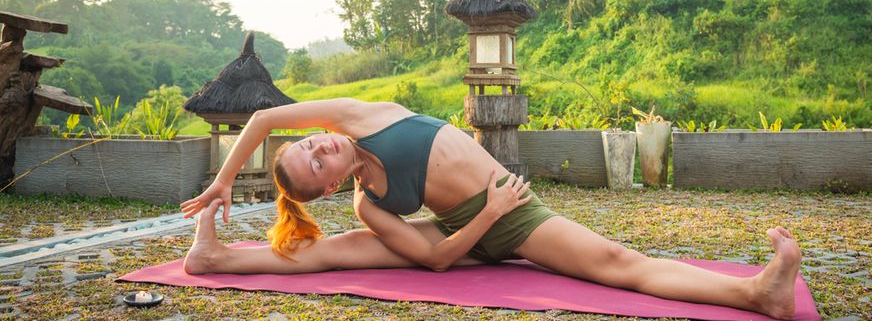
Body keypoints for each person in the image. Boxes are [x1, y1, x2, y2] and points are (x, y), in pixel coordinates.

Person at [180, 98, 802, 320]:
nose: (320, 146)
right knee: (336, 252)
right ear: (329, 184)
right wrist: (490, 210)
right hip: (495, 218)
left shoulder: (354, 118)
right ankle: (757, 297)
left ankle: (753, 294)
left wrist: (223, 182)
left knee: (615, 260)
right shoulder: (370, 205)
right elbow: (439, 259)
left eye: (310, 143)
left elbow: (262, 118)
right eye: (316, 164)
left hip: (503, 218)